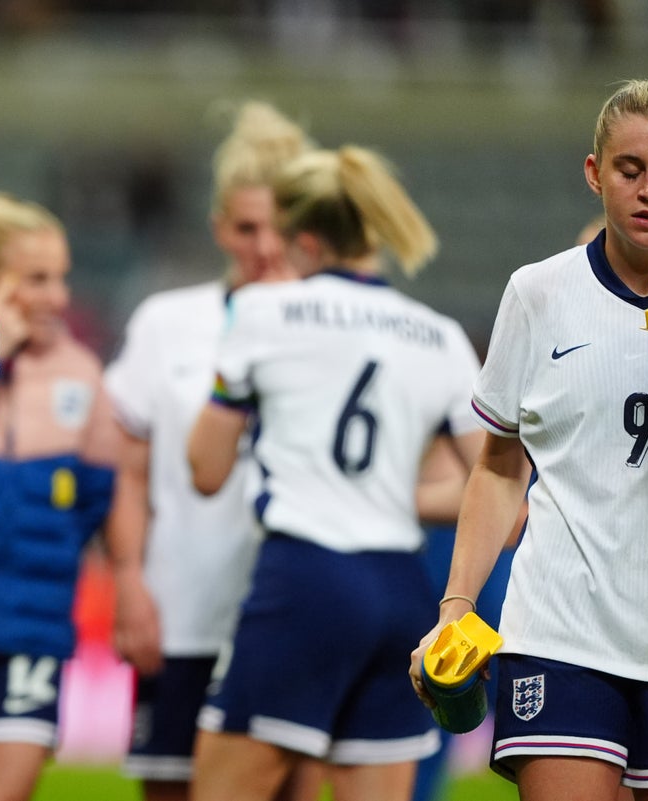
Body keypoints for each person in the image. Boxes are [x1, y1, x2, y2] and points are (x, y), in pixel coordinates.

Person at [409, 79, 648, 800]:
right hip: (561, 634)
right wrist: (455, 607)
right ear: (594, 173)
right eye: (629, 169)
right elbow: (496, 467)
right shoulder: (538, 294)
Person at [186, 142, 485, 801]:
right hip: (402, 588)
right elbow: (501, 496)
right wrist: (392, 496)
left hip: (304, 578)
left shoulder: (263, 310)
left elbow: (205, 467)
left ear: (305, 238)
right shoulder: (439, 335)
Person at [103, 99, 327, 801]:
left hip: (295, 611)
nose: (265, 246)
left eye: (282, 228)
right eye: (248, 227)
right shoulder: (168, 323)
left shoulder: (334, 326)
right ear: (219, 227)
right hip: (182, 607)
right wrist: (130, 582)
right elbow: (130, 472)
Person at [0, 185, 117, 801]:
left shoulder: (81, 372)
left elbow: (94, 500)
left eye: (60, 278)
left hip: (33, 630)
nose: (56, 298)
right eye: (36, 279)